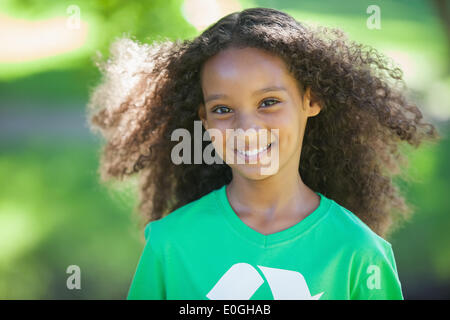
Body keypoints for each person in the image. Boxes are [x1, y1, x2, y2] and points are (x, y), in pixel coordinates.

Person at [86, 7, 439, 300]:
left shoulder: (358, 253)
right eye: (223, 109)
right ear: (204, 120)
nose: (247, 129)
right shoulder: (170, 244)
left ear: (311, 100)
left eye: (268, 102)